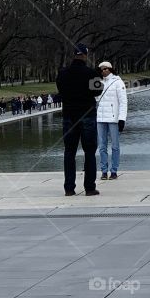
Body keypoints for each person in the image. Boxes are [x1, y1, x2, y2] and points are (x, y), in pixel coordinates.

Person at [56, 43, 100, 196]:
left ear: (74, 55)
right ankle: (89, 187)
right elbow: (97, 91)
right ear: (85, 55)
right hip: (87, 115)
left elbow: (61, 90)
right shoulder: (91, 73)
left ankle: (69, 188)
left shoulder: (63, 73)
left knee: (69, 152)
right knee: (89, 152)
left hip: (69, 115)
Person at [95, 61, 127, 181]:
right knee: (102, 146)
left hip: (113, 118)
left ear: (109, 69)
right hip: (100, 118)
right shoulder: (97, 82)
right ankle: (104, 170)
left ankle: (114, 170)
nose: (102, 71)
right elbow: (95, 99)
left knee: (115, 146)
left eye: (104, 69)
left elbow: (123, 102)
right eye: (101, 69)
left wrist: (122, 119)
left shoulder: (118, 82)